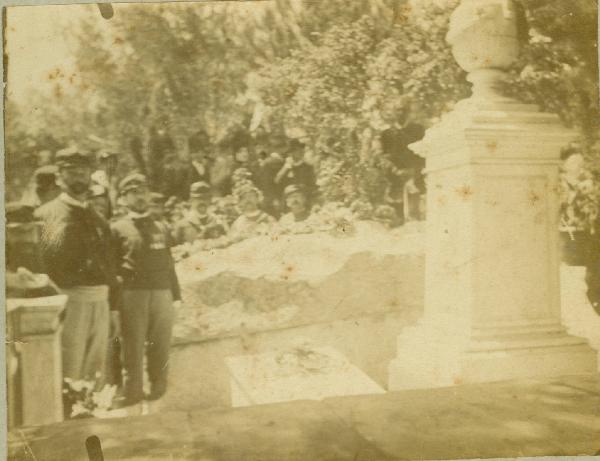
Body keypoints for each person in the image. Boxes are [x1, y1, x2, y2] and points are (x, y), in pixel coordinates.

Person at [34, 146, 117, 391]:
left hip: (100, 302)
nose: (79, 177)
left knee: (96, 376)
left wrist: (112, 307)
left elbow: (109, 266)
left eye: (84, 171)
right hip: (69, 303)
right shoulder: (48, 215)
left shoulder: (98, 218)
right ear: (60, 177)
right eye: (71, 172)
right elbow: (44, 265)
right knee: (69, 374)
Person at [110, 173, 182, 410]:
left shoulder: (161, 226)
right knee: (132, 348)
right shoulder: (117, 228)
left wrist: (177, 296)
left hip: (162, 293)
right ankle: (132, 399)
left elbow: (169, 263)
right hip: (133, 295)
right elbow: (111, 268)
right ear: (123, 199)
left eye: (143, 192)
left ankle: (158, 396)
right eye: (133, 193)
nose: (140, 197)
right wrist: (114, 304)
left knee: (161, 347)